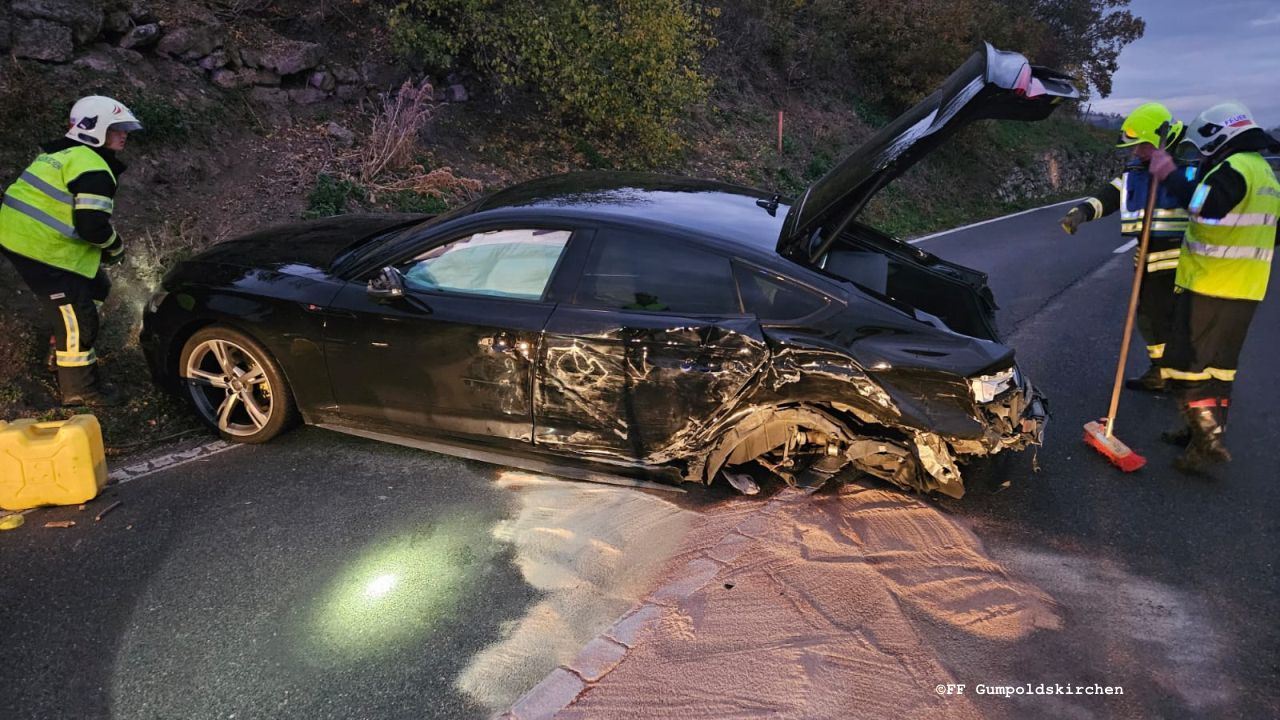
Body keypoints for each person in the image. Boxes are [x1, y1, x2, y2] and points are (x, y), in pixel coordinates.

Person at [1147, 101, 1280, 473]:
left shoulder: (1232, 170)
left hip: (1211, 284)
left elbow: (1204, 205)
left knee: (1186, 365)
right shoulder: (1265, 174)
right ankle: (1198, 434)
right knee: (1219, 368)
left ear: (1217, 136)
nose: (1202, 155)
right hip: (1246, 289)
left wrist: (1169, 174)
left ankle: (1207, 439)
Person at [0, 95, 143, 406]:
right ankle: (80, 389)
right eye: (116, 128)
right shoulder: (94, 169)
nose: (124, 135)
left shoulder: (65, 153)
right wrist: (116, 248)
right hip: (38, 248)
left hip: (23, 236)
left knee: (97, 286)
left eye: (124, 129)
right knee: (79, 319)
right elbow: (92, 227)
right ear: (93, 129)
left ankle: (60, 345)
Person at [1060, 102, 1197, 392]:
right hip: (1147, 255)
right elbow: (1110, 195)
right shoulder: (1135, 169)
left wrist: (1170, 174)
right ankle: (1163, 370)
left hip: (1180, 256)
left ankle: (1180, 375)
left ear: (1158, 139)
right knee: (1150, 316)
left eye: (1141, 146)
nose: (1136, 152)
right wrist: (1082, 212)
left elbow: (1201, 203)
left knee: (1169, 317)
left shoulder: (1190, 164)